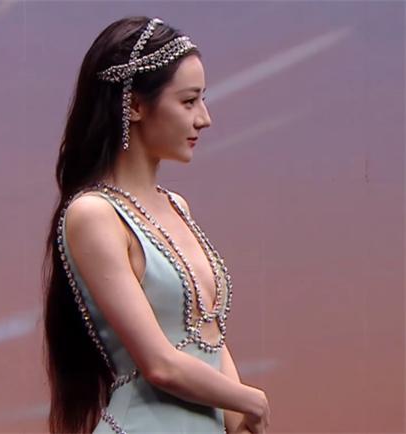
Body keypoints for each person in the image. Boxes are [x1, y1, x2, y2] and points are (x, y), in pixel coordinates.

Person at [42, 16, 270, 434]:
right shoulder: (94, 214)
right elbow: (159, 365)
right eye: (189, 101)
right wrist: (249, 400)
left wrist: (240, 422)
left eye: (202, 100)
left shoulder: (177, 207)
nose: (204, 118)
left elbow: (210, 338)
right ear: (134, 106)